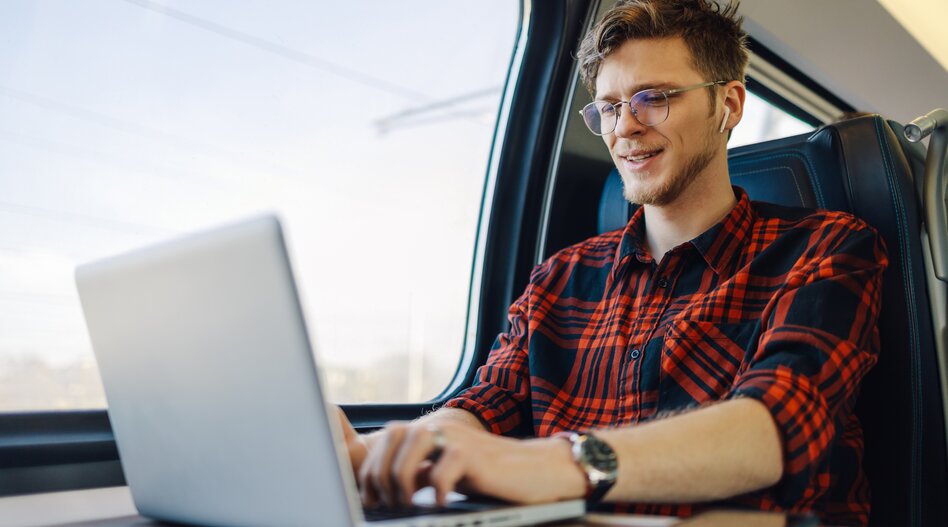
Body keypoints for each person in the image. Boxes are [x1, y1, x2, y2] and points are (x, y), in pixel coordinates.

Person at [337, 1, 887, 525]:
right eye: (610, 107)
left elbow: (772, 426)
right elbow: (489, 403)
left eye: (653, 98)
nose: (624, 127)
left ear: (730, 105)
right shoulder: (560, 278)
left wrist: (552, 467)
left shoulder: (827, 249)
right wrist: (394, 449)